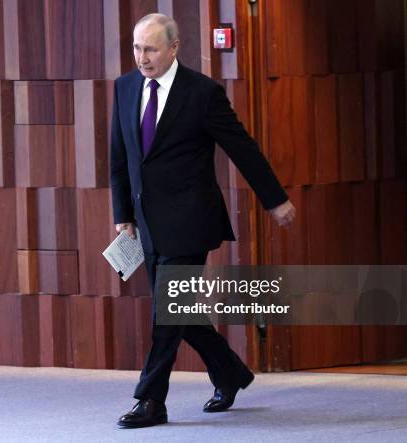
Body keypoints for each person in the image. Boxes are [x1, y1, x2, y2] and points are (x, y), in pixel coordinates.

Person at [110, 13, 296, 428]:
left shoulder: (202, 92)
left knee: (166, 313)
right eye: (138, 48)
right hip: (148, 224)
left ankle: (151, 401)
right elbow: (119, 159)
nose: (143, 57)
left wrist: (275, 199)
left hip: (191, 221)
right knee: (181, 314)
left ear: (174, 48)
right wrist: (123, 214)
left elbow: (241, 148)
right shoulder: (124, 88)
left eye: (152, 48)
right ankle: (230, 372)